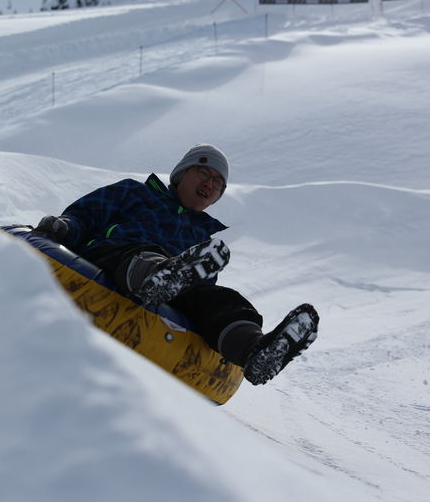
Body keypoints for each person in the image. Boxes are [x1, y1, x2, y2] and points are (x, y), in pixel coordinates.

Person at [34, 144, 319, 386]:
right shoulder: (134, 193)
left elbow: (200, 297)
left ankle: (254, 350)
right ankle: (157, 276)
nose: (209, 184)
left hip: (173, 292)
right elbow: (86, 216)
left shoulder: (203, 240)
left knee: (220, 299)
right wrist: (62, 228)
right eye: (203, 173)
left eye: (217, 182)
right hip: (111, 258)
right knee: (142, 253)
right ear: (182, 174)